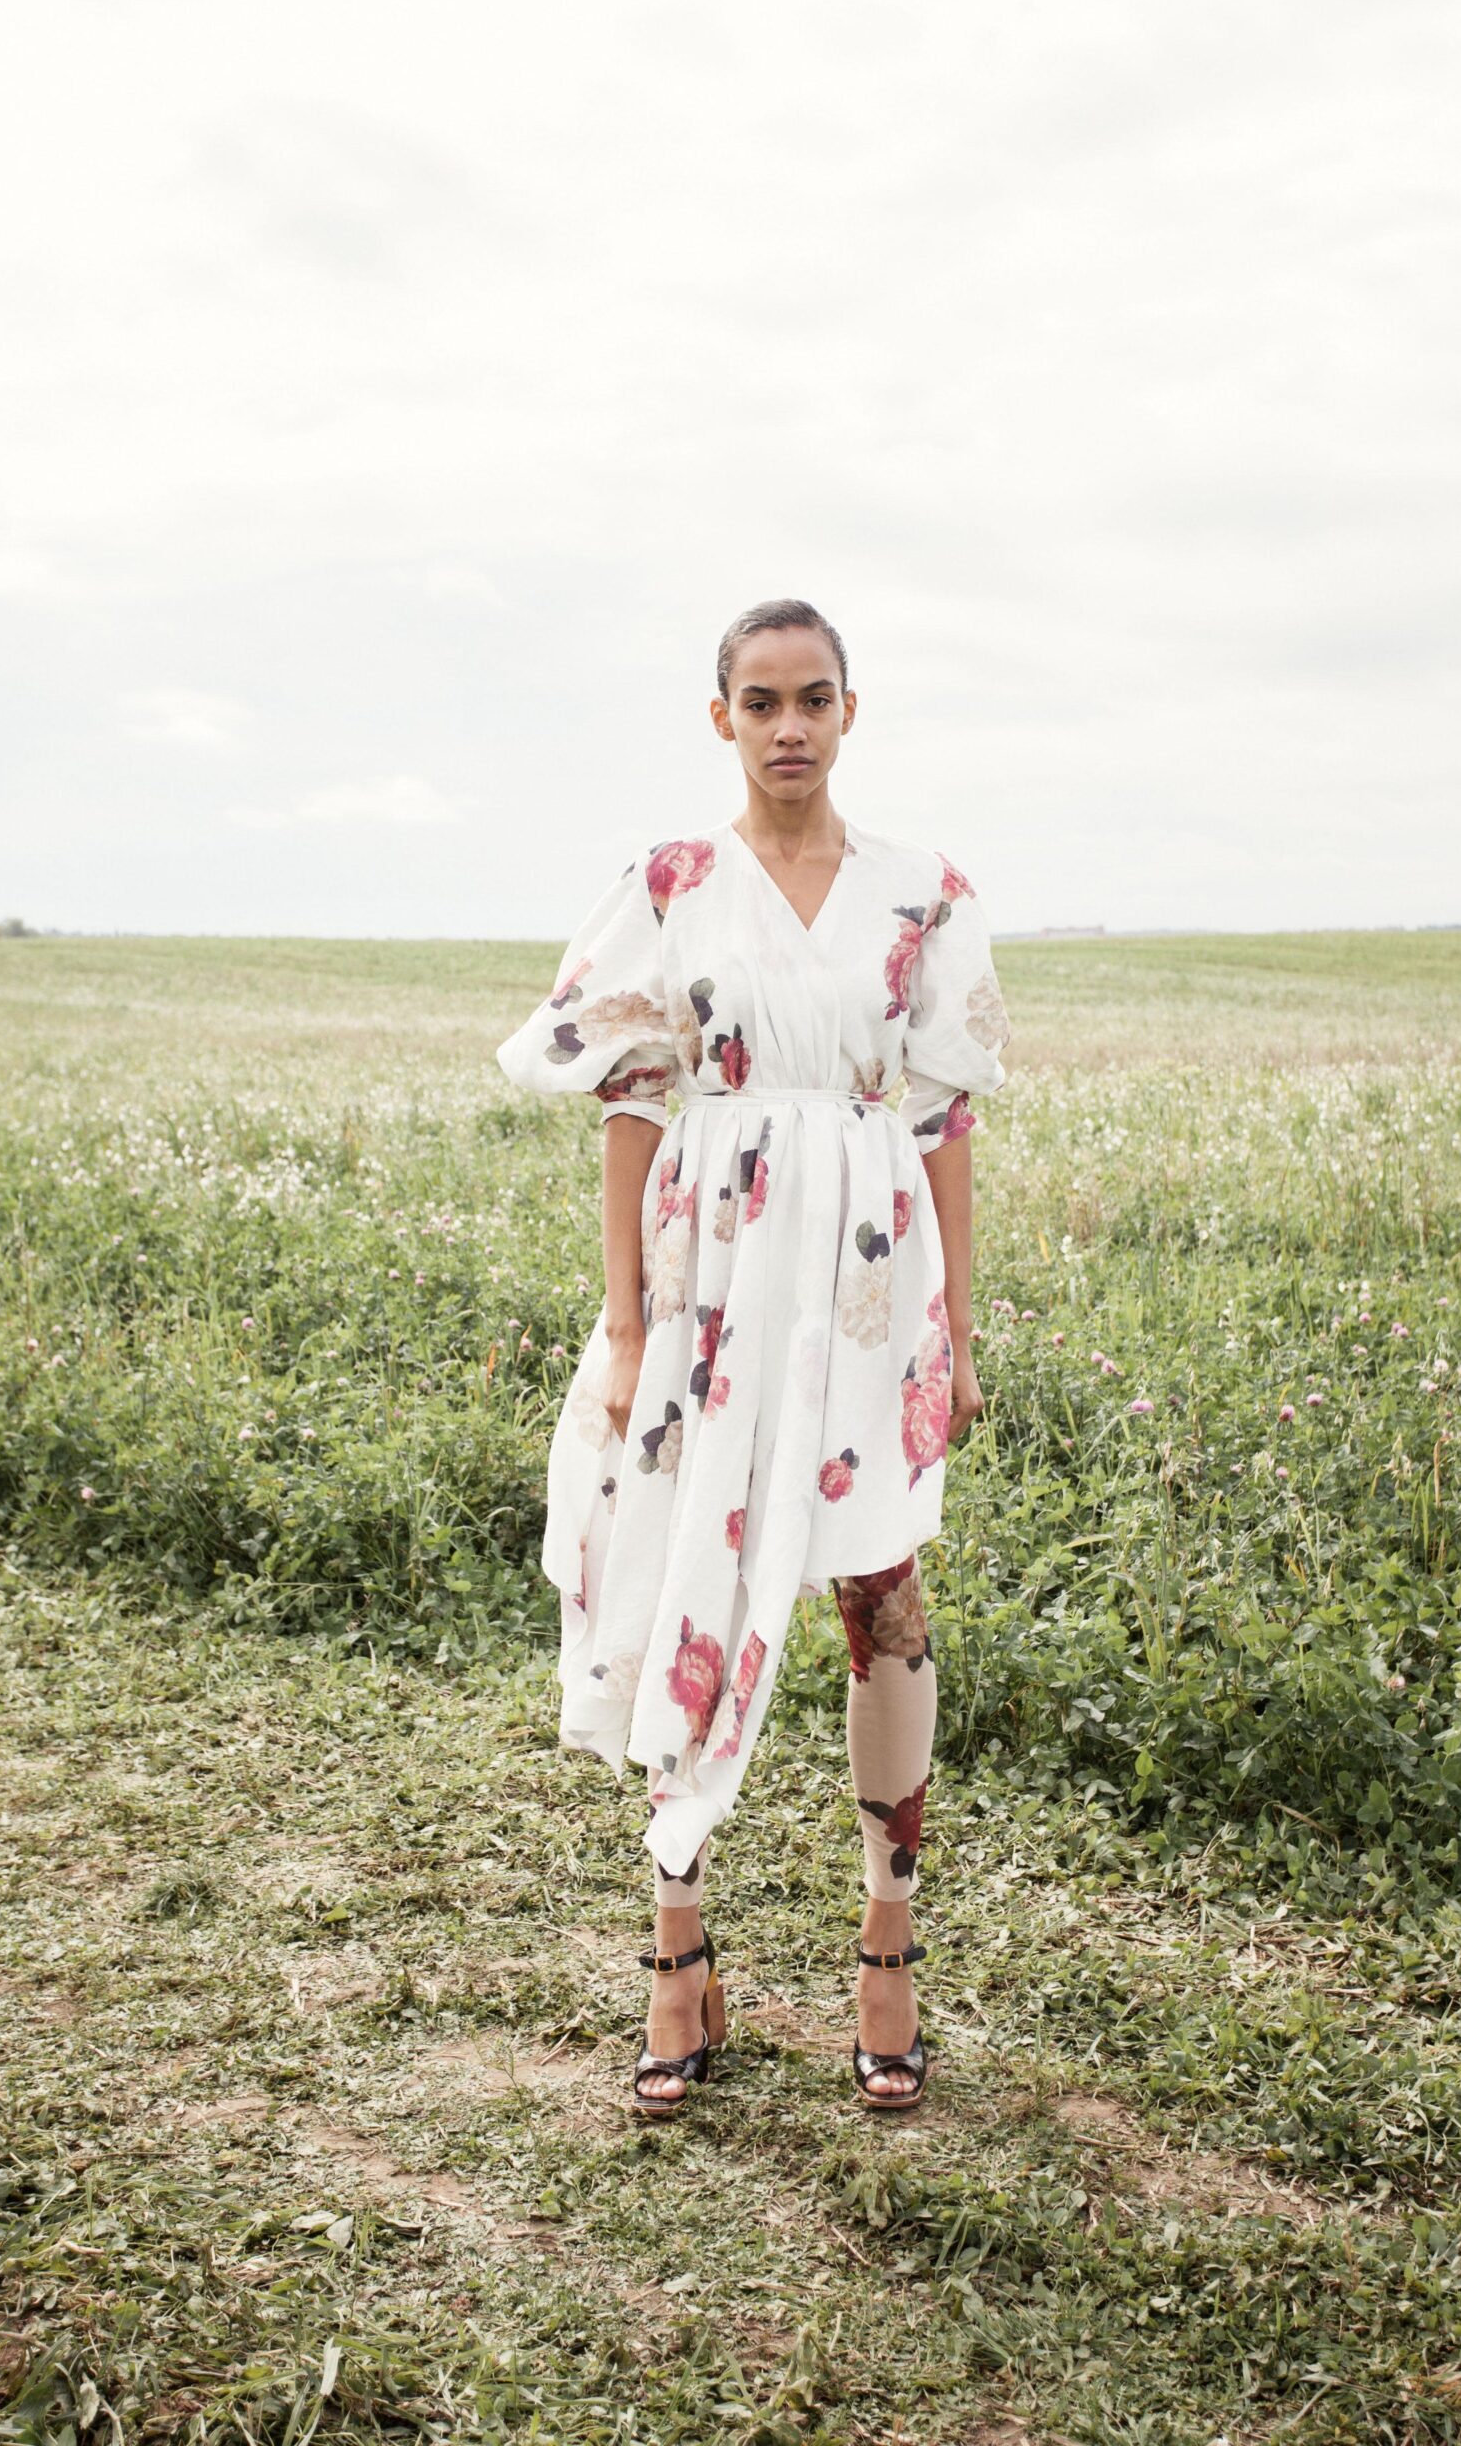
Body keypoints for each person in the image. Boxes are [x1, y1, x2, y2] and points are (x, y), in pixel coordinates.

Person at [494, 597, 1011, 2117]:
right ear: (719, 716)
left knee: (883, 1587)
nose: (790, 725)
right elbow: (632, 1106)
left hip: (868, 1280)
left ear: (854, 711)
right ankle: (676, 1961)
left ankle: (887, 1956)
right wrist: (628, 1322)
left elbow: (945, 1117)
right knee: (675, 1580)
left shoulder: (926, 892)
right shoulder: (671, 885)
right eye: (761, 699)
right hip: (706, 1272)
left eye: (816, 698)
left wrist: (959, 1331)